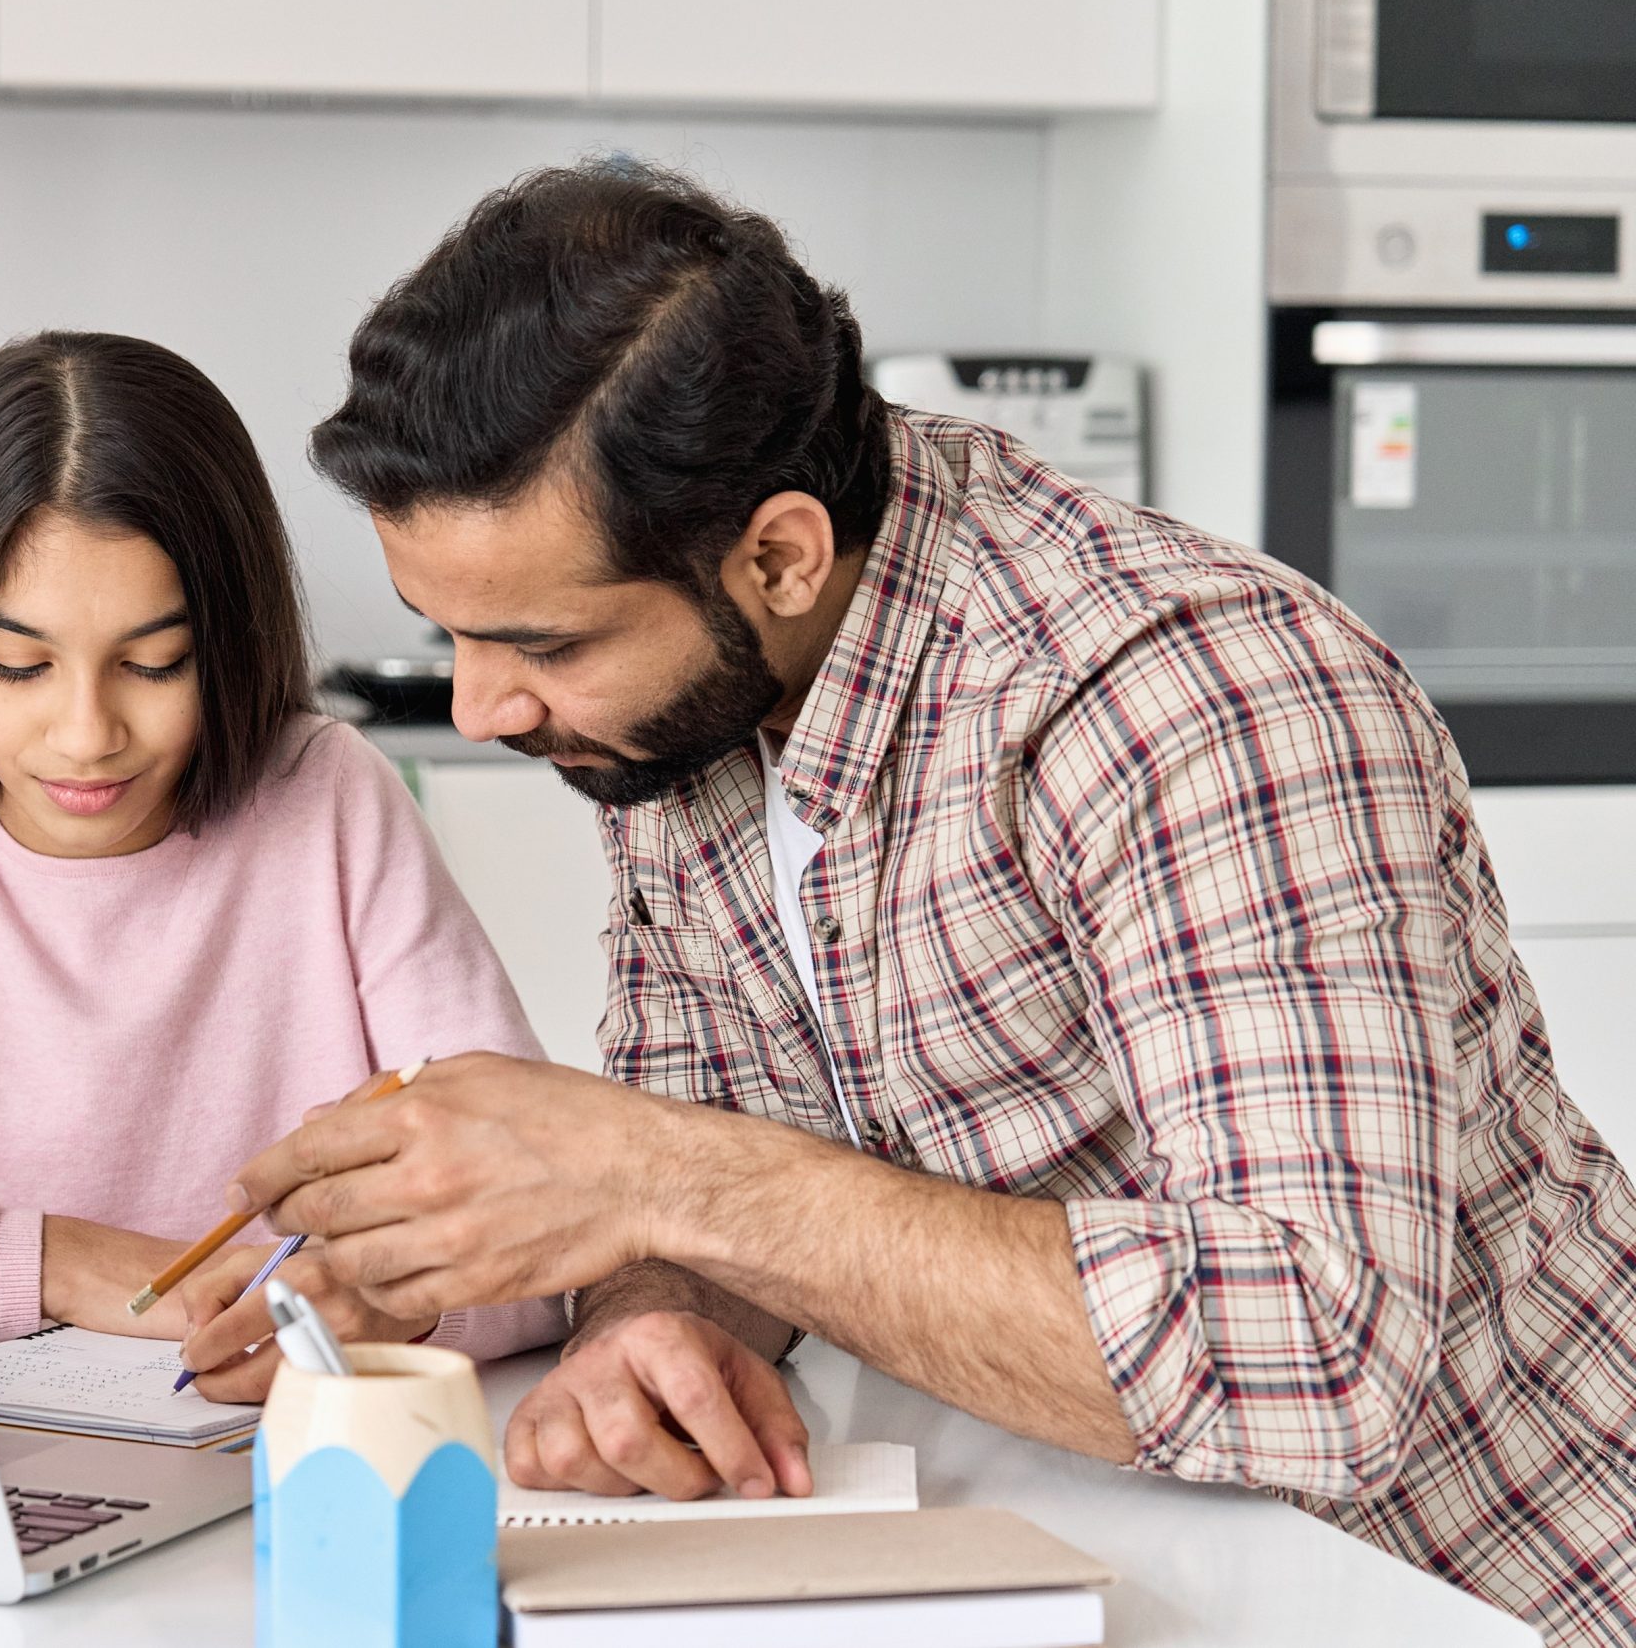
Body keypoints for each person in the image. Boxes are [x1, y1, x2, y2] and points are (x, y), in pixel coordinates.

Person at [189, 165, 1636, 1641]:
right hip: (1084, 1559)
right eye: (450, 634)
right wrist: (657, 1327)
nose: (484, 703)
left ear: (781, 554)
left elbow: (1317, 1355)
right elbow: (732, 1142)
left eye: (536, 641)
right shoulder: (688, 708)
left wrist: (652, 1172)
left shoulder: (1195, 698)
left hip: (1473, 1587)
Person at [0, 331, 563, 1397]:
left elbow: (540, 1225)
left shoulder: (326, 797)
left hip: (272, 1460)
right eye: (19, 665)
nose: (85, 735)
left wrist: (386, 1302)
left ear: (227, 642)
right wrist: (43, 1262)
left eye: (152, 663)